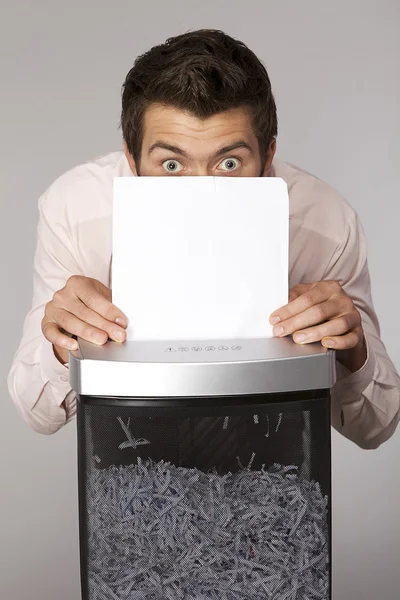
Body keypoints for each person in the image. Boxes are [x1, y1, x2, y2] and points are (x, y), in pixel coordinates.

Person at [7, 29, 400, 448]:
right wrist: (61, 342)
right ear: (131, 159)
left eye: (229, 162)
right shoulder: (76, 209)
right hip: (128, 459)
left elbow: (374, 427)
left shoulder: (327, 224)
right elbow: (36, 410)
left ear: (267, 158)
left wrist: (352, 350)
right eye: (171, 165)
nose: (199, 190)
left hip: (273, 463)